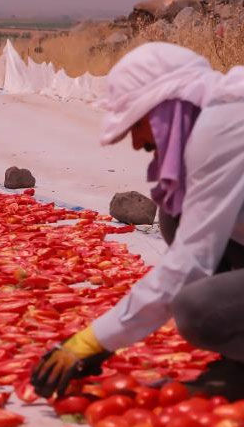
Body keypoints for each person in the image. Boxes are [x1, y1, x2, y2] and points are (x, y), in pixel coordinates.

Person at [30, 42, 244, 399]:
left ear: (165, 109)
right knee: (177, 213)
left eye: (138, 123)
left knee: (199, 308)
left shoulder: (223, 126)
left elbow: (189, 263)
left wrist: (94, 340)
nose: (137, 142)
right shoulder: (219, 111)